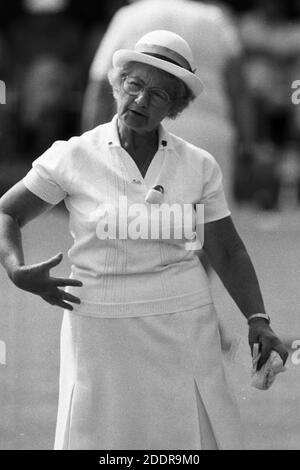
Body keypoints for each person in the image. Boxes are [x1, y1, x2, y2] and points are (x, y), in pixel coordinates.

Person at [0, 31, 288, 450]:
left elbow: (227, 249)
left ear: (176, 106)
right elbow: (8, 211)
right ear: (118, 84)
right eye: (134, 85)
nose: (140, 100)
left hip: (185, 325)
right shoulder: (74, 155)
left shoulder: (198, 165)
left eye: (158, 94)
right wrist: (15, 269)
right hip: (98, 326)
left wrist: (257, 319)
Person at [82, 0, 251, 205]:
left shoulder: (129, 16)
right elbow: (239, 90)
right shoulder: (215, 17)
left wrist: (92, 147)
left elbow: (99, 88)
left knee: (134, 227)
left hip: (141, 129)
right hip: (209, 134)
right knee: (207, 228)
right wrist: (249, 146)